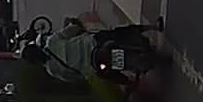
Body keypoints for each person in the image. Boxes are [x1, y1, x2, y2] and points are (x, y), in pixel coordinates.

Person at [21, 16, 164, 88]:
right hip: (94, 43)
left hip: (94, 66)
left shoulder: (52, 70)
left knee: (114, 77)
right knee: (119, 33)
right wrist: (75, 25)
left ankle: (130, 82)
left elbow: (75, 78)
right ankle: (152, 27)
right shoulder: (52, 41)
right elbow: (74, 29)